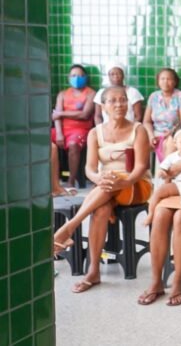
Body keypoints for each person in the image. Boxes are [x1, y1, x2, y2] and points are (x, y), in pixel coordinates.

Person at [52, 86, 153, 293]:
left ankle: (68, 228)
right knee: (101, 211)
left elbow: (142, 167)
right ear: (104, 106)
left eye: (123, 100)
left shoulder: (138, 129)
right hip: (107, 186)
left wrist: (124, 182)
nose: (119, 104)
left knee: (112, 180)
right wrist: (99, 178)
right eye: (113, 101)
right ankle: (93, 270)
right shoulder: (94, 133)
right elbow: (90, 168)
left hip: (136, 184)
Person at [138, 121, 181, 306]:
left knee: (180, 217)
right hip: (176, 190)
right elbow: (162, 177)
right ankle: (156, 281)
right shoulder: (173, 154)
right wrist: (174, 169)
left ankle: (178, 281)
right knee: (160, 215)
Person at [51, 64, 96, 189]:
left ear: (86, 77)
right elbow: (56, 117)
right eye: (74, 75)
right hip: (62, 129)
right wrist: (59, 134)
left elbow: (84, 114)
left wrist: (61, 113)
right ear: (68, 77)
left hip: (80, 129)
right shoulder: (63, 94)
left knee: (73, 145)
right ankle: (52, 180)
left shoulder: (91, 94)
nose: (77, 78)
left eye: (81, 75)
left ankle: (71, 180)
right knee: (43, 141)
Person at [143, 67, 181, 162]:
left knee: (169, 144)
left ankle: (165, 173)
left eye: (169, 79)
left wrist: (171, 132)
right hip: (155, 133)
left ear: (175, 82)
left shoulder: (180, 96)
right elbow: (146, 121)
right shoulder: (154, 96)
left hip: (175, 132)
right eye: (162, 79)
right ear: (158, 81)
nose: (165, 82)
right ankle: (147, 175)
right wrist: (151, 136)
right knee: (141, 143)